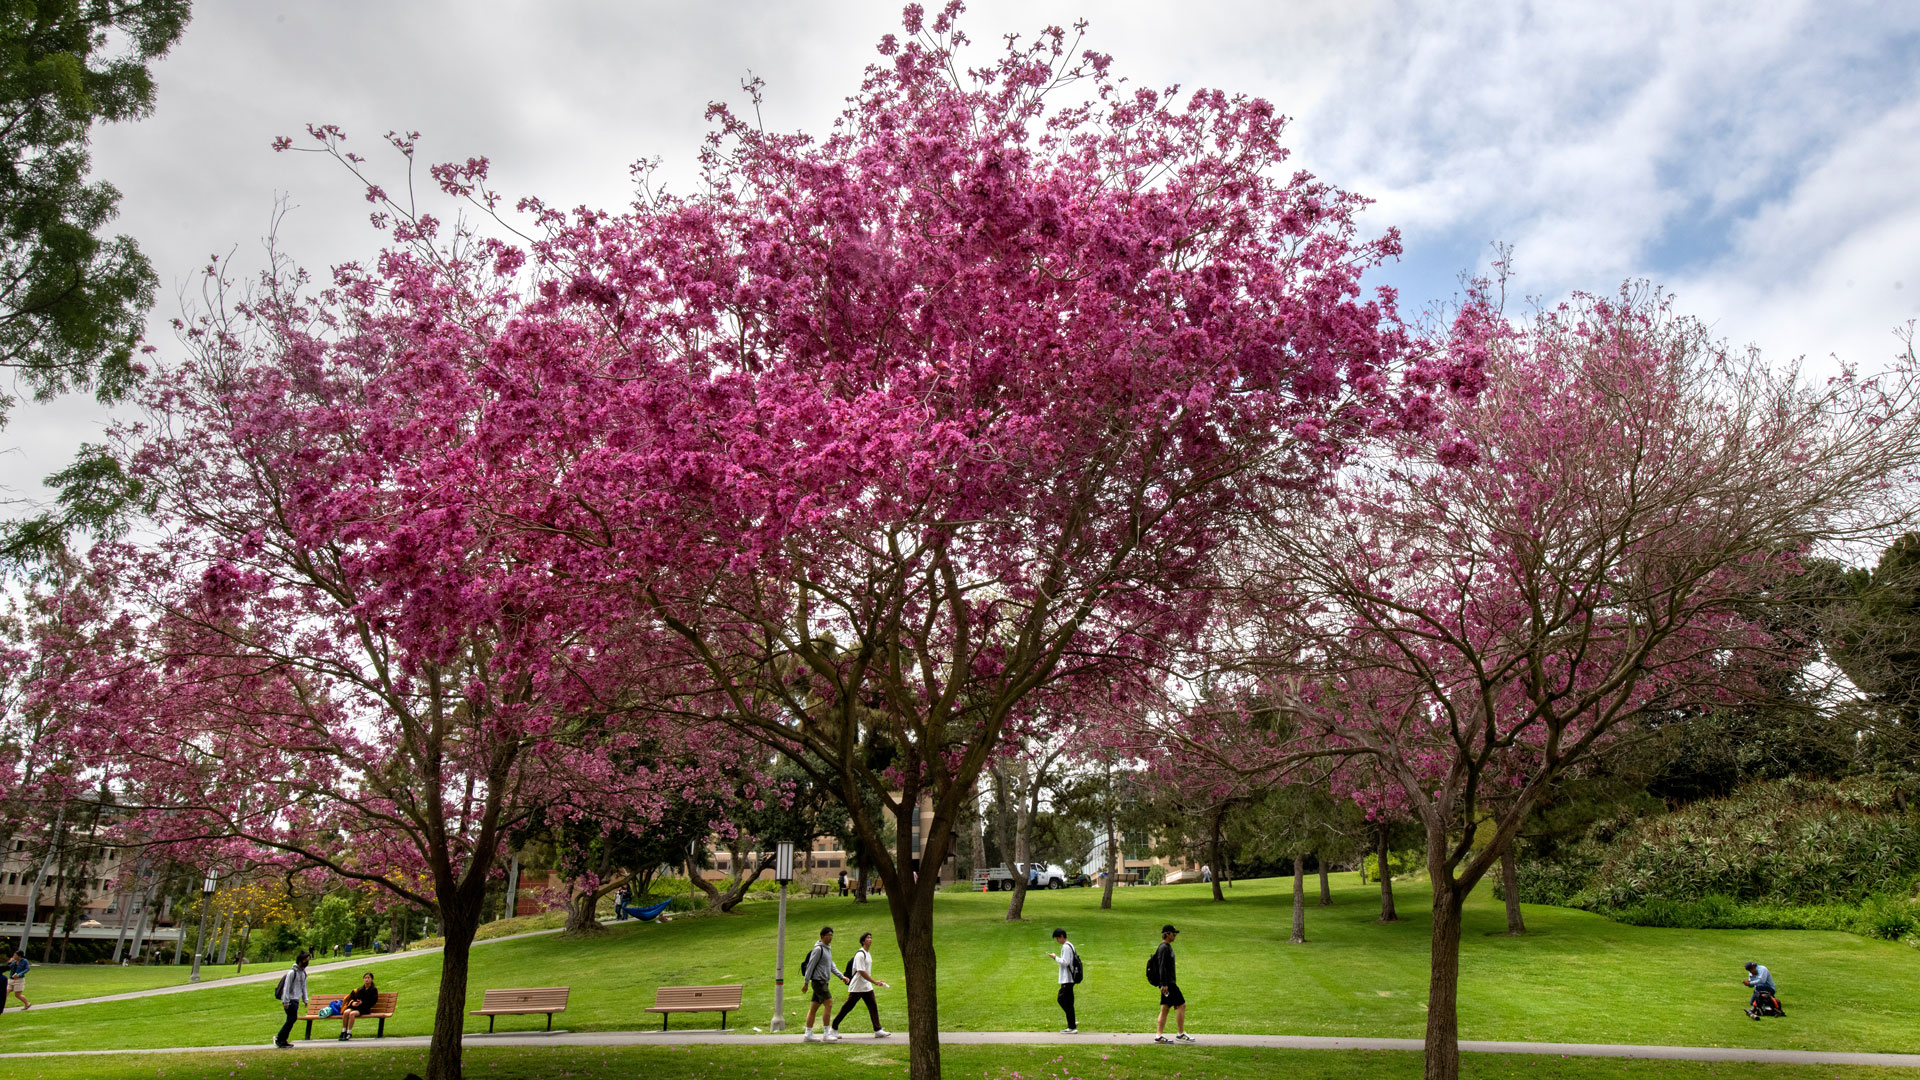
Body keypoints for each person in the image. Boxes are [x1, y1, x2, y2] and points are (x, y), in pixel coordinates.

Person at [829, 931, 891, 1039]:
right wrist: (874, 981)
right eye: (867, 938)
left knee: (873, 1006)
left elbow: (866, 971)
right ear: (863, 941)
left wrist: (872, 981)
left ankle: (878, 1030)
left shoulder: (868, 954)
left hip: (866, 986)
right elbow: (861, 972)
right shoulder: (859, 954)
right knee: (847, 1007)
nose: (870, 939)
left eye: (871, 937)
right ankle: (833, 1028)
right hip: (857, 986)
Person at [799, 926, 850, 1041]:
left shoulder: (827, 949)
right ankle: (826, 1034)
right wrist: (806, 982)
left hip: (824, 982)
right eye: (828, 935)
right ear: (822, 936)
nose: (830, 937)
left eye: (832, 935)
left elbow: (831, 966)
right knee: (829, 1003)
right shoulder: (818, 949)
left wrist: (842, 976)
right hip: (818, 982)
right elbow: (810, 966)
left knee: (813, 1008)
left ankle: (808, 1034)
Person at [1151, 924, 1191, 1043]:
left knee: (1165, 1008)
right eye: (1173, 933)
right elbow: (1161, 967)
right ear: (1167, 934)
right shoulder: (1164, 948)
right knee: (1181, 1005)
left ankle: (1159, 1036)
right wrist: (1164, 984)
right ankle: (1180, 1033)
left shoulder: (1167, 947)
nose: (1175, 935)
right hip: (1168, 984)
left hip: (1168, 983)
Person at [274, 952, 310, 1049]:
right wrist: (285, 1001)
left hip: (296, 1000)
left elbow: (304, 987)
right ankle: (279, 1038)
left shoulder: (303, 973)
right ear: (300, 960)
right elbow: (286, 987)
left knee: (291, 1019)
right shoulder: (292, 973)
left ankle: (282, 1039)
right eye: (306, 960)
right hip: (290, 1000)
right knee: (292, 1019)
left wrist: (305, 999)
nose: (307, 962)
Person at [1047, 928, 1079, 1033]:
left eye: (1057, 938)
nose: (1057, 941)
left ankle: (1072, 1026)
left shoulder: (1066, 947)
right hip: (1069, 978)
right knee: (1067, 1001)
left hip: (1067, 979)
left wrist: (1055, 957)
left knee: (1062, 1000)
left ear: (1061, 936)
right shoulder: (1070, 945)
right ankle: (1072, 1022)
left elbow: (1066, 962)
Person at [338, 971, 379, 1041]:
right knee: (346, 1012)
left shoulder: (373, 989)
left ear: (372, 979)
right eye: (365, 978)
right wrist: (353, 1003)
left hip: (364, 1008)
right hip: (356, 1006)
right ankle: (343, 1031)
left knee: (352, 1014)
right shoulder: (360, 989)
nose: (367, 979)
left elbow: (373, 1001)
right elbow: (353, 998)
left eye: (368, 978)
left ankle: (349, 1032)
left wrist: (362, 1003)